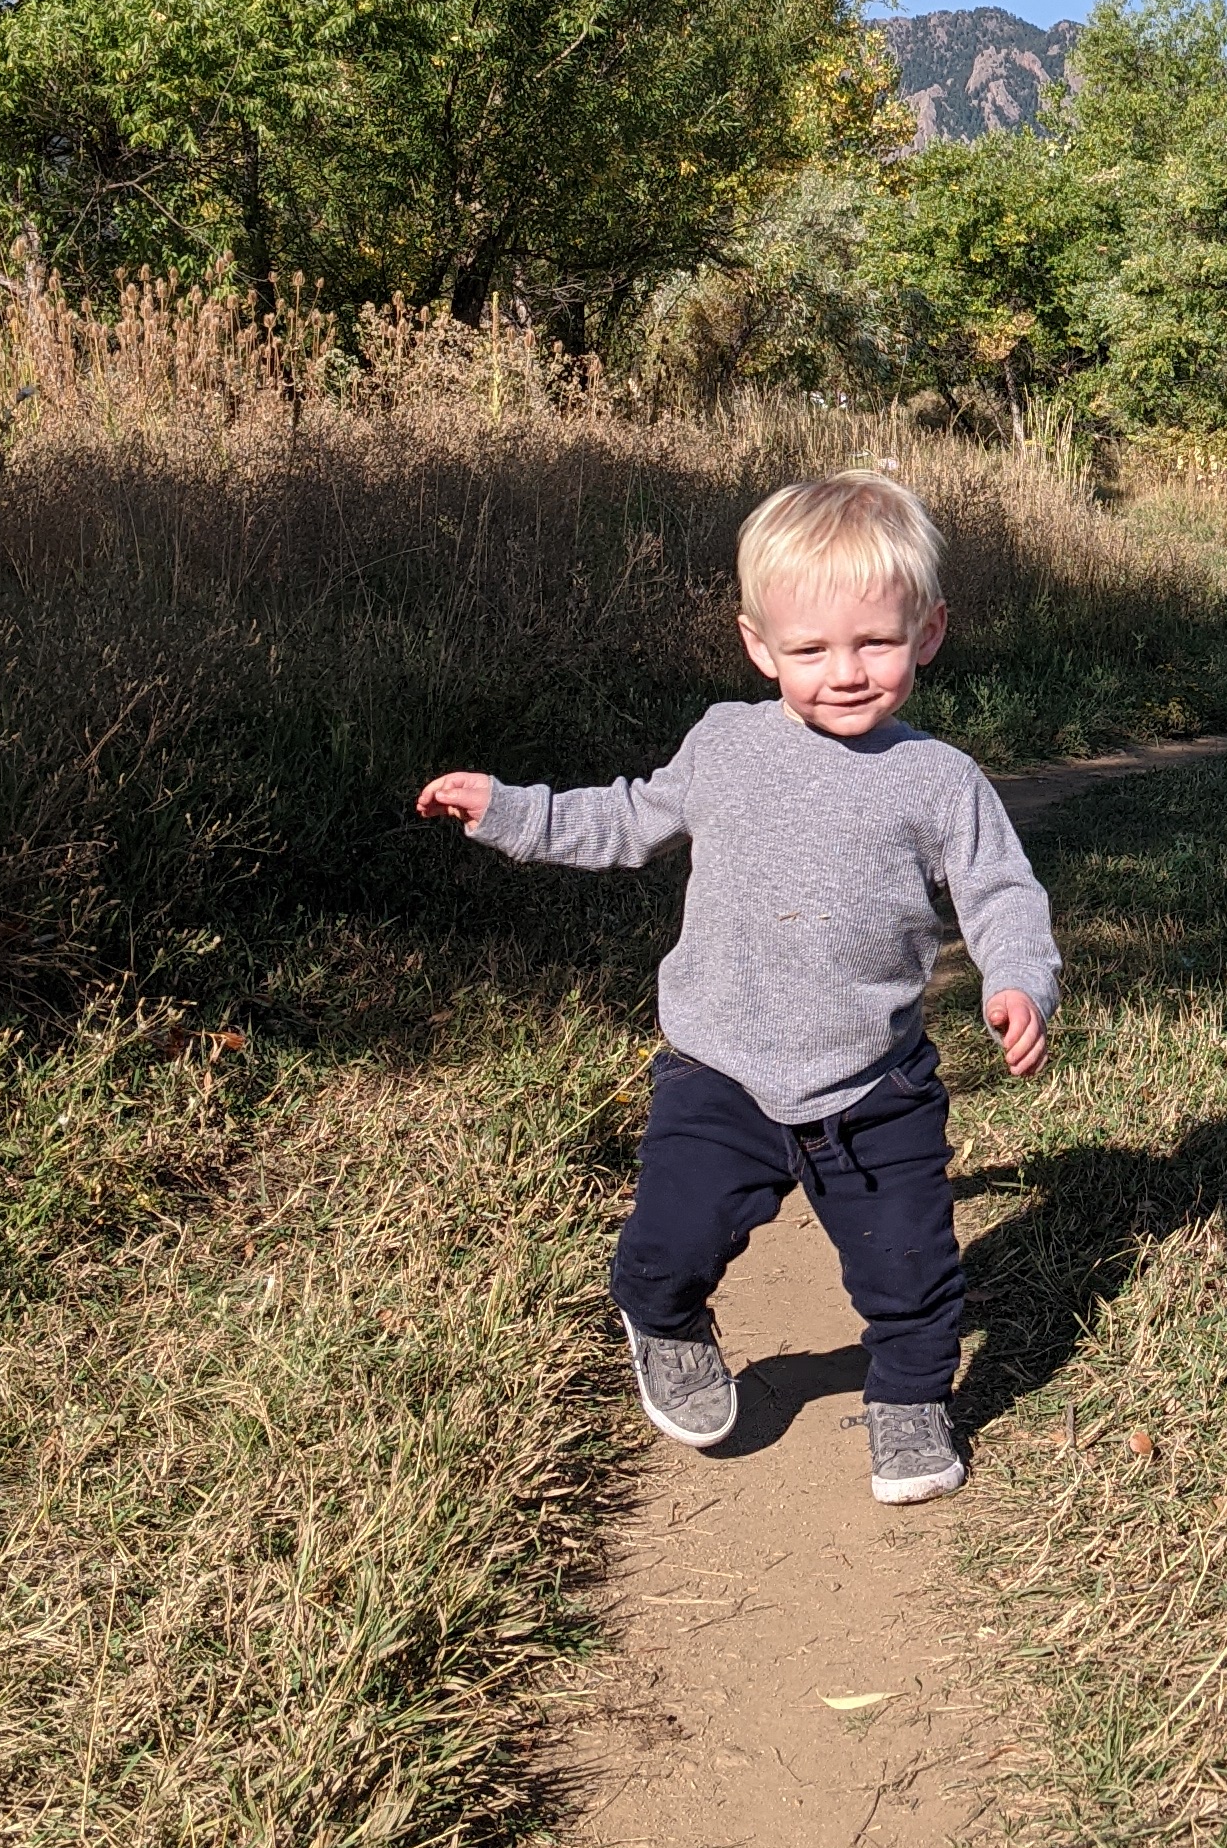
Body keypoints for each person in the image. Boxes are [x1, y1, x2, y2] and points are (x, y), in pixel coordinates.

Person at [415, 468, 1057, 1504]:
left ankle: (905, 1402)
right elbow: (625, 820)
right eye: (808, 651)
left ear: (929, 632)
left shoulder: (942, 780)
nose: (843, 673)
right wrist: (510, 810)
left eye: (875, 645)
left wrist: (1019, 980)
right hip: (720, 1067)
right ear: (760, 646)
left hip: (873, 1083)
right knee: (672, 1241)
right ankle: (660, 1317)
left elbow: (1002, 897)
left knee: (914, 1271)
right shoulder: (725, 743)